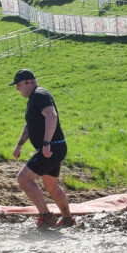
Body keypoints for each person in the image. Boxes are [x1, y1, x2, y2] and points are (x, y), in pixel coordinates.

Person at [10, 69, 75, 228]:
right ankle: (67, 219)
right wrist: (19, 144)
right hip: (55, 147)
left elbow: (52, 116)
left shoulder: (40, 95)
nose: (17, 89)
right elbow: (30, 125)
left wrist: (46, 144)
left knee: (23, 178)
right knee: (51, 186)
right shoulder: (35, 97)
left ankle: (45, 216)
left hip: (52, 148)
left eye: (19, 85)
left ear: (28, 82)